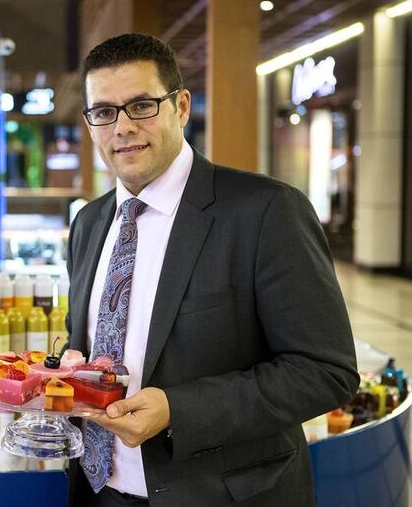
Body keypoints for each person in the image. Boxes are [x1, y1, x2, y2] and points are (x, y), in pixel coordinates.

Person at [65, 33, 358, 506]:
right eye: (104, 112)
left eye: (141, 105)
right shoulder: (89, 223)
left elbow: (325, 371)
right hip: (101, 493)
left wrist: (177, 409)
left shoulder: (265, 212)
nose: (121, 127)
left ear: (181, 107)